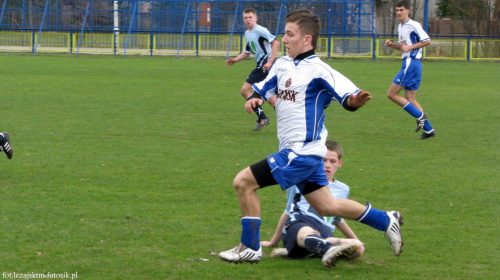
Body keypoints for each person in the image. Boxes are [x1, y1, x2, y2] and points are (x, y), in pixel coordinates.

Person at [218, 10, 403, 266]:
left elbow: (349, 96)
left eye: (290, 34)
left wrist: (355, 101)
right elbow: (261, 88)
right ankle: (386, 219)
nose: (283, 39)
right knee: (327, 206)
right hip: (308, 153)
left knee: (243, 183)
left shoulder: (320, 70)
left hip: (301, 153)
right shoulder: (282, 64)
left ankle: (250, 248)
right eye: (284, 33)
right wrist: (255, 98)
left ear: (307, 39)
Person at [260, 140, 365, 267]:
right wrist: (273, 242)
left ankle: (300, 252)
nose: (327, 165)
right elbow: (287, 212)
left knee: (358, 249)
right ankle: (316, 248)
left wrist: (356, 239)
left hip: (325, 230)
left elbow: (338, 219)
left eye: (332, 161)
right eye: (323, 160)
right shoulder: (300, 182)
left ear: (339, 163)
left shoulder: (343, 189)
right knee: (309, 234)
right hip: (301, 222)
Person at [384, 1, 435, 139]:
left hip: (411, 63)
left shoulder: (413, 25)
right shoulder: (401, 27)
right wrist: (392, 45)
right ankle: (429, 130)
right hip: (413, 64)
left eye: (401, 10)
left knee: (392, 94)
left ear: (408, 11)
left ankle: (421, 116)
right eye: (397, 10)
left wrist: (408, 48)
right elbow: (404, 47)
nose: (399, 12)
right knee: (410, 98)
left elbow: (427, 40)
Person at [226, 8, 280, 132]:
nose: (248, 19)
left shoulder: (260, 30)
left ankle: (263, 117)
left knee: (245, 90)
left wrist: (270, 61)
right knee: (270, 97)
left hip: (264, 66)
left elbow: (276, 43)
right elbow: (247, 52)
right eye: (245, 18)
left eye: (250, 17)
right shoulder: (247, 33)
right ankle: (287, 120)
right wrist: (235, 60)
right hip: (261, 65)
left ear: (256, 18)